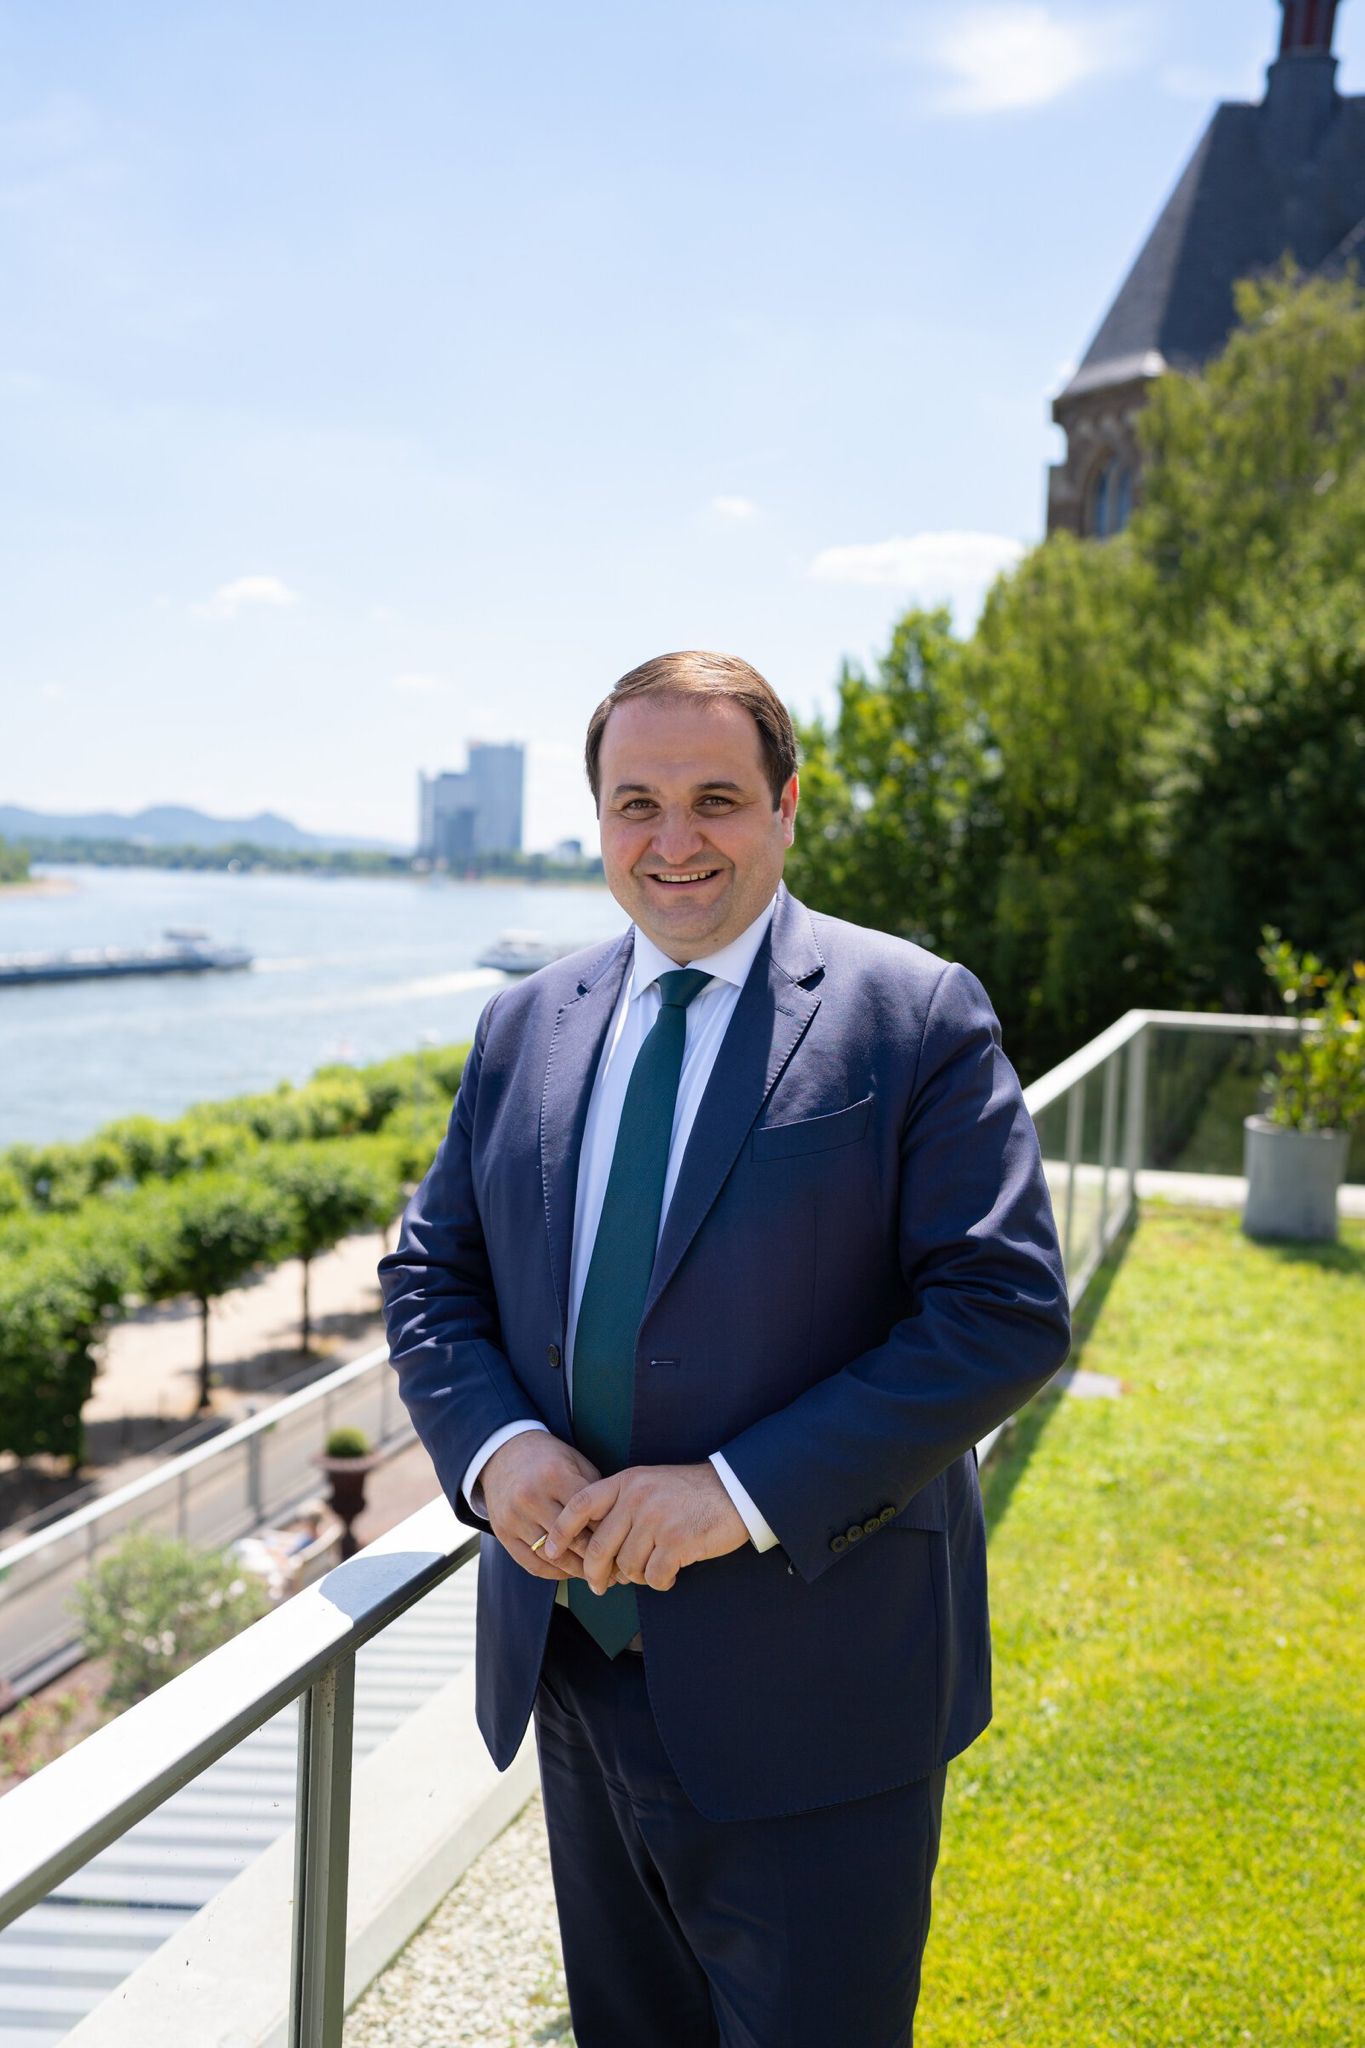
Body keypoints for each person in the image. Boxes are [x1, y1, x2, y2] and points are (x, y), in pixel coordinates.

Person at [378, 651, 1070, 2046]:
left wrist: (733, 1495)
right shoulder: (523, 1024)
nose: (673, 841)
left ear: (786, 806)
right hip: (575, 1665)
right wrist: (495, 1449)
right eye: (636, 804)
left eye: (715, 800)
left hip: (819, 1689)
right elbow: (431, 1273)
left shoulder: (913, 1013)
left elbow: (1000, 1309)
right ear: (597, 820)